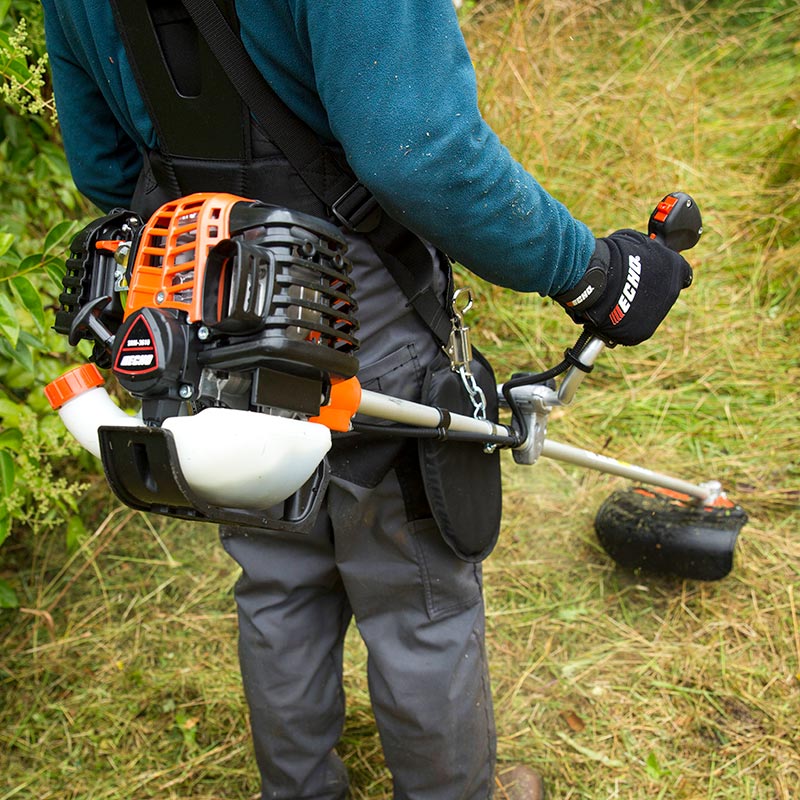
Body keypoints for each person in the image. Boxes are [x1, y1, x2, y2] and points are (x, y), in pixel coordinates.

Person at [41, 2, 692, 798]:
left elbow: (106, 170)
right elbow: (421, 153)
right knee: (415, 592)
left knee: (276, 573)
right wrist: (590, 270)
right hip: (351, 292)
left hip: (191, 285)